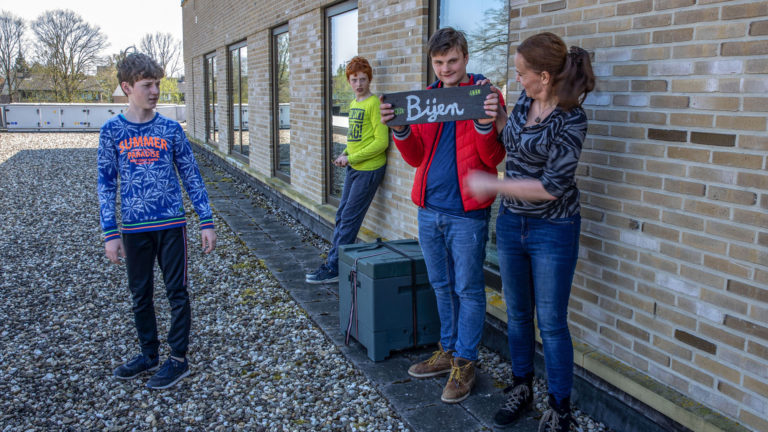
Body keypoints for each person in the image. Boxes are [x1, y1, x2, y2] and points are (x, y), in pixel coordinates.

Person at [465, 32, 595, 431]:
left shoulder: (572, 119)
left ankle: (560, 410)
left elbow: (551, 188)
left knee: (552, 323)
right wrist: (495, 118)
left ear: (544, 75)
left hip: (553, 228)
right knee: (519, 315)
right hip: (511, 224)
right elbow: (513, 141)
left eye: (521, 73)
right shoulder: (526, 100)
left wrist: (495, 186)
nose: (517, 79)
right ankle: (522, 388)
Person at [380, 27, 505, 404]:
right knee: (440, 284)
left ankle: (466, 362)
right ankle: (448, 350)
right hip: (429, 209)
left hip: (467, 213)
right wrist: (400, 129)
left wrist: (485, 125)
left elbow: (495, 159)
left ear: (465, 58)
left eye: (452, 61)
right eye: (439, 62)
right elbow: (417, 156)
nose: (446, 69)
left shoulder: (483, 95)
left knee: (467, 288)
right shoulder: (425, 101)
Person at [98, 52, 217, 390]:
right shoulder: (112, 132)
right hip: (134, 229)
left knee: (177, 292)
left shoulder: (170, 129)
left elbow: (192, 175)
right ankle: (148, 354)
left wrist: (205, 220)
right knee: (140, 294)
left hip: (171, 225)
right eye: (147, 85)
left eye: (157, 84)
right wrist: (110, 232)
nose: (155, 91)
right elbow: (106, 183)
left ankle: (178, 359)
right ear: (126, 87)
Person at [306, 56, 388, 284]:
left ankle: (333, 268)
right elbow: (356, 140)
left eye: (363, 79)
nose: (359, 84)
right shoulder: (353, 104)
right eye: (354, 79)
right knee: (342, 216)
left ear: (369, 79)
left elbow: (381, 143)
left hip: (369, 170)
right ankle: (334, 264)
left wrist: (351, 158)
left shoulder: (374, 104)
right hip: (354, 167)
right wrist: (345, 154)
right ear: (349, 81)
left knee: (350, 219)